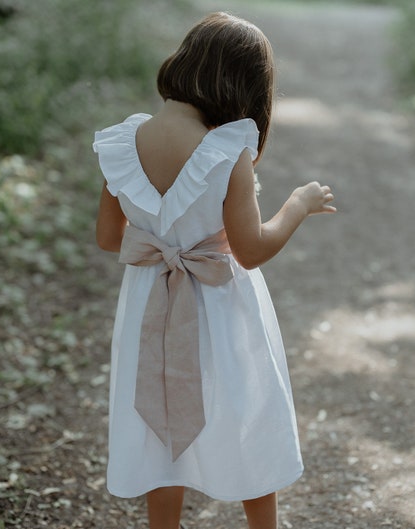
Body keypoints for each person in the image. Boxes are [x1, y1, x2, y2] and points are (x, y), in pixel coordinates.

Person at [93, 11, 336, 529]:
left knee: (158, 416)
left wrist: (162, 242)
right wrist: (297, 204)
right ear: (244, 86)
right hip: (221, 306)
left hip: (147, 302)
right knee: (247, 408)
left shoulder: (122, 143)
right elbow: (250, 249)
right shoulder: (227, 152)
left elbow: (109, 237)